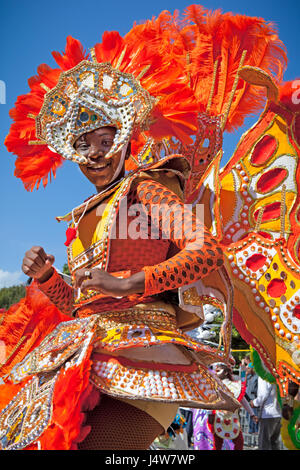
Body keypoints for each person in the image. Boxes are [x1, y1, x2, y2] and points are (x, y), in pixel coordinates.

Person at [0, 7, 288, 451]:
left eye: (104, 140)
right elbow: (83, 305)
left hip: (145, 362)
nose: (95, 155)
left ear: (125, 137)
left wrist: (131, 280)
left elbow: (205, 249)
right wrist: (46, 279)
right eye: (83, 146)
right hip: (87, 356)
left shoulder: (147, 188)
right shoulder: (84, 219)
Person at [207, 363, 258, 450]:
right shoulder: (214, 385)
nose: (216, 373)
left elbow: (243, 400)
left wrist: (252, 414)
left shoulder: (236, 386)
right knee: (217, 444)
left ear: (226, 372)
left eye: (218, 371)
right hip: (218, 417)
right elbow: (210, 402)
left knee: (239, 442)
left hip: (233, 418)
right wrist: (209, 414)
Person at [250, 377, 282, 450]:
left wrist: (254, 403)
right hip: (279, 413)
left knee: (264, 444)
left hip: (268, 414)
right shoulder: (277, 374)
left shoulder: (263, 376)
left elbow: (263, 395)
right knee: (275, 443)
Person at [245, 363, 259, 434]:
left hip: (253, 399)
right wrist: (246, 375)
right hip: (247, 399)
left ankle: (255, 431)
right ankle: (251, 431)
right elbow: (244, 385)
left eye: (248, 368)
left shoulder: (257, 377)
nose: (247, 370)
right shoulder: (248, 377)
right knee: (248, 417)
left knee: (254, 416)